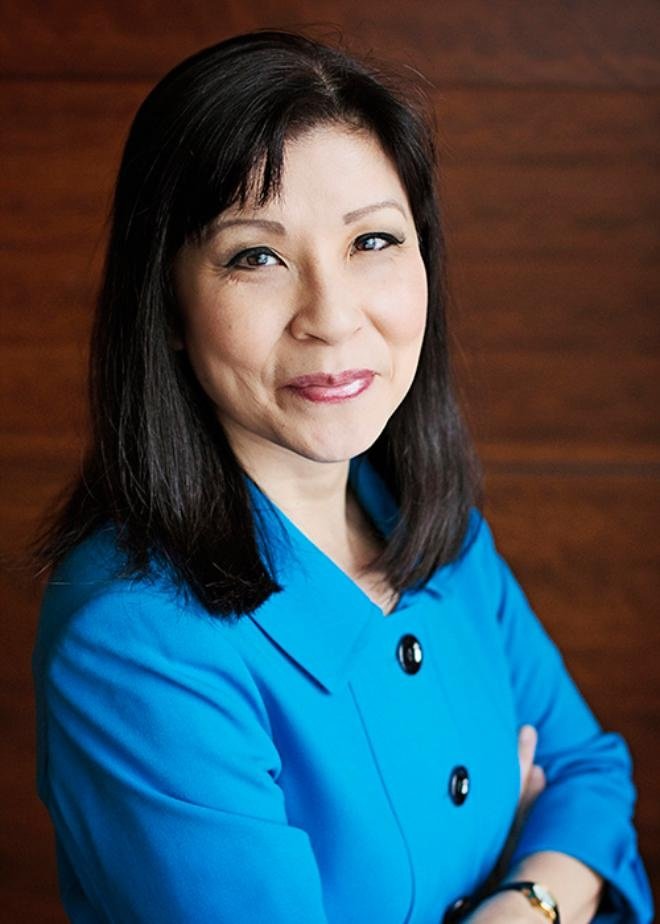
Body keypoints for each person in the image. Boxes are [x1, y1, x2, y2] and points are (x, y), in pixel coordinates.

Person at [32, 29, 653, 924]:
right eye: (256, 256)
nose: (331, 316)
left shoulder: (430, 528)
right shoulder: (134, 640)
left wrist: (523, 902)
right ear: (165, 304)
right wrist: (545, 867)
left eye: (373, 240)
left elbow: (591, 776)